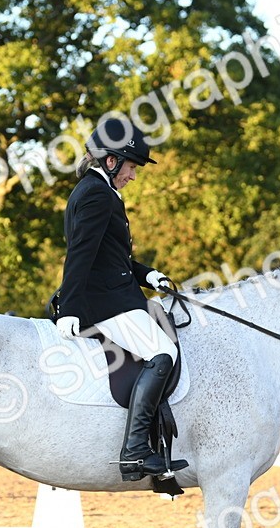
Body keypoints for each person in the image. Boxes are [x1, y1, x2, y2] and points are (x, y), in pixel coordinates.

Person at [56, 116, 187, 481]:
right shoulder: (97, 194)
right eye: (131, 167)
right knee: (163, 353)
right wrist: (70, 308)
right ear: (111, 161)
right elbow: (81, 253)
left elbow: (110, 256)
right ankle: (134, 451)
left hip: (116, 292)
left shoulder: (99, 190)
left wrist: (148, 275)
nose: (133, 176)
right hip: (107, 302)